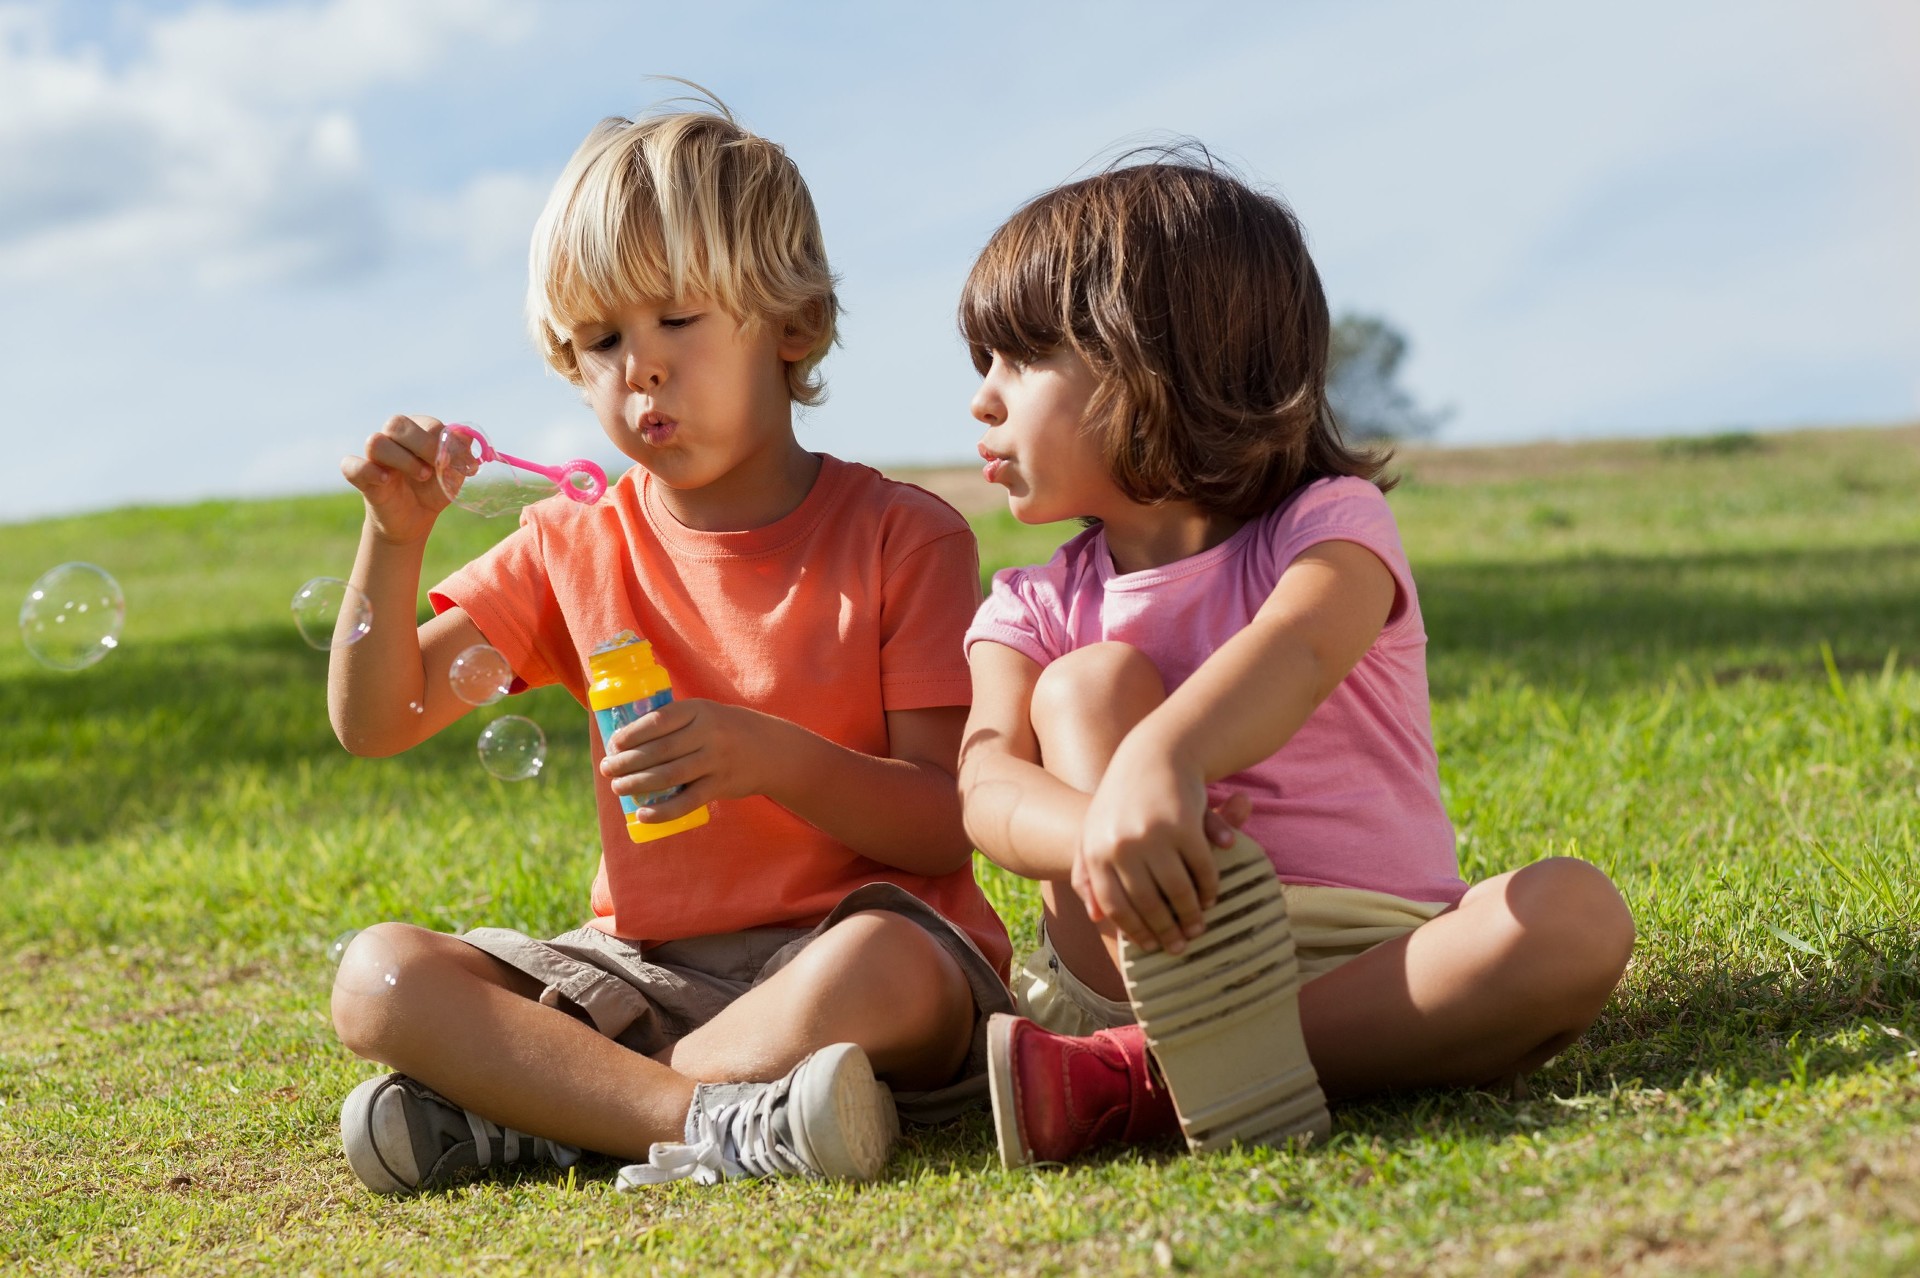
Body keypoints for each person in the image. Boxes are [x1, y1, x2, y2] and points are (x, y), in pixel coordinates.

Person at [325, 94, 1012, 1194]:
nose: (637, 369)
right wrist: (393, 539)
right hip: (643, 978)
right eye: (601, 341)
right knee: (378, 977)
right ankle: (707, 1121)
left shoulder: (904, 538)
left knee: (893, 967)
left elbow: (944, 820)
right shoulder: (572, 545)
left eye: (676, 320)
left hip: (846, 959)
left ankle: (565, 1112)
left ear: (792, 326)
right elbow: (378, 719)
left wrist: (771, 758)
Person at [954, 151, 1635, 1167]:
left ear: (1157, 359)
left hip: (1363, 954)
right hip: (1135, 946)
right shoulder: (1033, 603)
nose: (984, 400)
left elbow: (1299, 647)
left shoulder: (1330, 529)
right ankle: (1187, 1047)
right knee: (1089, 684)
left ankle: (1139, 1080)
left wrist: (1166, 758)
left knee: (1574, 918)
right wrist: (1105, 826)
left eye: (1022, 359)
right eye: (984, 365)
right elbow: (984, 782)